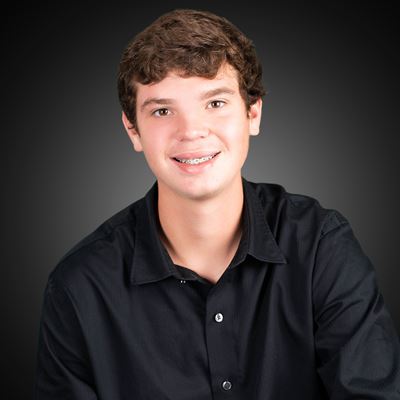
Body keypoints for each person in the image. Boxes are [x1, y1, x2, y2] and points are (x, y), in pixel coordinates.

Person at [34, 9, 400, 399]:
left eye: (215, 103)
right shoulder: (79, 287)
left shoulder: (321, 246)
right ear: (133, 130)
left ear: (253, 113)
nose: (191, 132)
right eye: (162, 111)